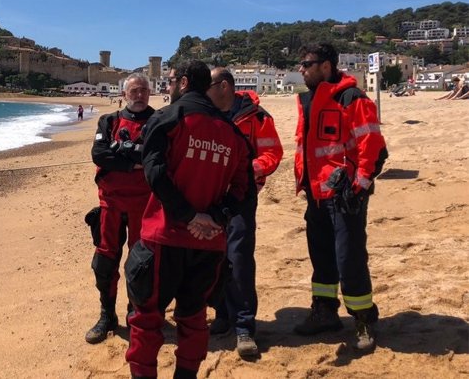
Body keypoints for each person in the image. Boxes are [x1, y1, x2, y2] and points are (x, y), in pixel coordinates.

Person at [125, 60, 254, 378]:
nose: (165, 87)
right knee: (194, 317)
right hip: (209, 243)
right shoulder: (232, 133)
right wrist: (215, 216)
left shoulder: (167, 118)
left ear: (183, 83)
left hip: (164, 238)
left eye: (169, 81)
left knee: (146, 318)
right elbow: (244, 190)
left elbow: (154, 172)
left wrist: (187, 215)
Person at [293, 43, 388, 351]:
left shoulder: (352, 99)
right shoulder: (307, 101)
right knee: (321, 260)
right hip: (316, 195)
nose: (301, 69)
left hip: (344, 196)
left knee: (350, 260)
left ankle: (363, 319)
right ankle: (324, 311)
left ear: (326, 66)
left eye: (307, 64)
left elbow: (372, 146)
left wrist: (358, 187)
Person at [205, 68, 283, 357]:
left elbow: (273, 153)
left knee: (238, 258)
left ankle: (244, 327)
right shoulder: (206, 114)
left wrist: (247, 171)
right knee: (214, 258)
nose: (204, 91)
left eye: (209, 86)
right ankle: (222, 313)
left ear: (224, 86)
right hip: (210, 198)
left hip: (241, 197)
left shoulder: (257, 117)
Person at [85, 73, 155, 344]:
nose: (139, 95)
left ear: (149, 93)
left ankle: (135, 312)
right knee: (104, 262)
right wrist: (134, 161)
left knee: (142, 264)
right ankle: (107, 315)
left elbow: (157, 156)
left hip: (145, 204)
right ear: (125, 93)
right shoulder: (109, 120)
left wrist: (125, 152)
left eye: (144, 91)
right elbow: (99, 154)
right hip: (110, 204)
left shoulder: (158, 121)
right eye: (134, 91)